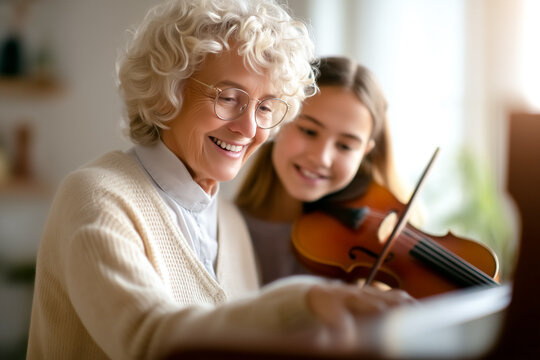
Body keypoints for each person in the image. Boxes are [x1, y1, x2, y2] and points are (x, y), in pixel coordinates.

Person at [27, 2, 414, 359]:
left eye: (265, 107)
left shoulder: (230, 221)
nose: (248, 128)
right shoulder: (97, 195)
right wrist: (304, 302)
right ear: (167, 93)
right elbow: (146, 339)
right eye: (229, 98)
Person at [236, 56, 408, 286]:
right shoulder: (225, 224)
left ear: (365, 152)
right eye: (309, 131)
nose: (322, 158)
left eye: (345, 146)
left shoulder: (366, 249)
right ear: (279, 119)